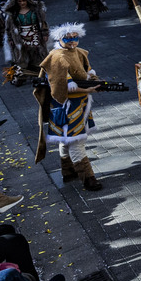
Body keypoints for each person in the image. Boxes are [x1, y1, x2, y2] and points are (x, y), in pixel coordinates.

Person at [36, 24, 103, 191]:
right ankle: (88, 178)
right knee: (76, 141)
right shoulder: (57, 56)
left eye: (75, 38)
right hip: (66, 105)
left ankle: (68, 171)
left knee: (67, 139)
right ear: (59, 39)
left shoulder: (79, 52)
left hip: (80, 103)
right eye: (68, 38)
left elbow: (87, 71)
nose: (72, 42)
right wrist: (87, 89)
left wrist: (93, 79)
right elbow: (65, 86)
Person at [1, 0, 48, 81]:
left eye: (24, 0)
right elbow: (8, 28)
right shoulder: (13, 14)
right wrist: (10, 39)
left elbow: (43, 23)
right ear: (16, 2)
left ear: (27, 0)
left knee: (38, 56)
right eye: (19, 1)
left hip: (35, 36)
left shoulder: (36, 11)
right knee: (21, 58)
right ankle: (21, 75)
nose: (22, 3)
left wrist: (45, 33)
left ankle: (38, 73)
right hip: (19, 39)